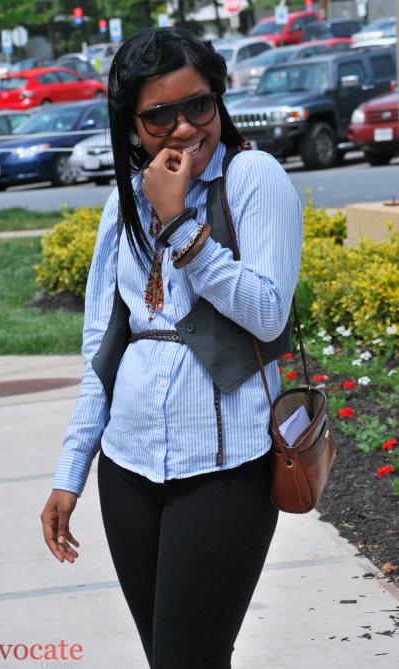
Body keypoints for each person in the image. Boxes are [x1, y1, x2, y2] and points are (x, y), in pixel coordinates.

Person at [41, 27, 303, 669]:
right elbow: (103, 349)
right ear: (131, 125)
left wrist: (182, 222)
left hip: (225, 465)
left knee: (191, 657)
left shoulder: (253, 178)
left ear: (219, 100)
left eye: (199, 105)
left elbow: (268, 315)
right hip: (128, 467)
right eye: (159, 114)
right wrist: (71, 470)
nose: (184, 127)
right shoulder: (123, 204)